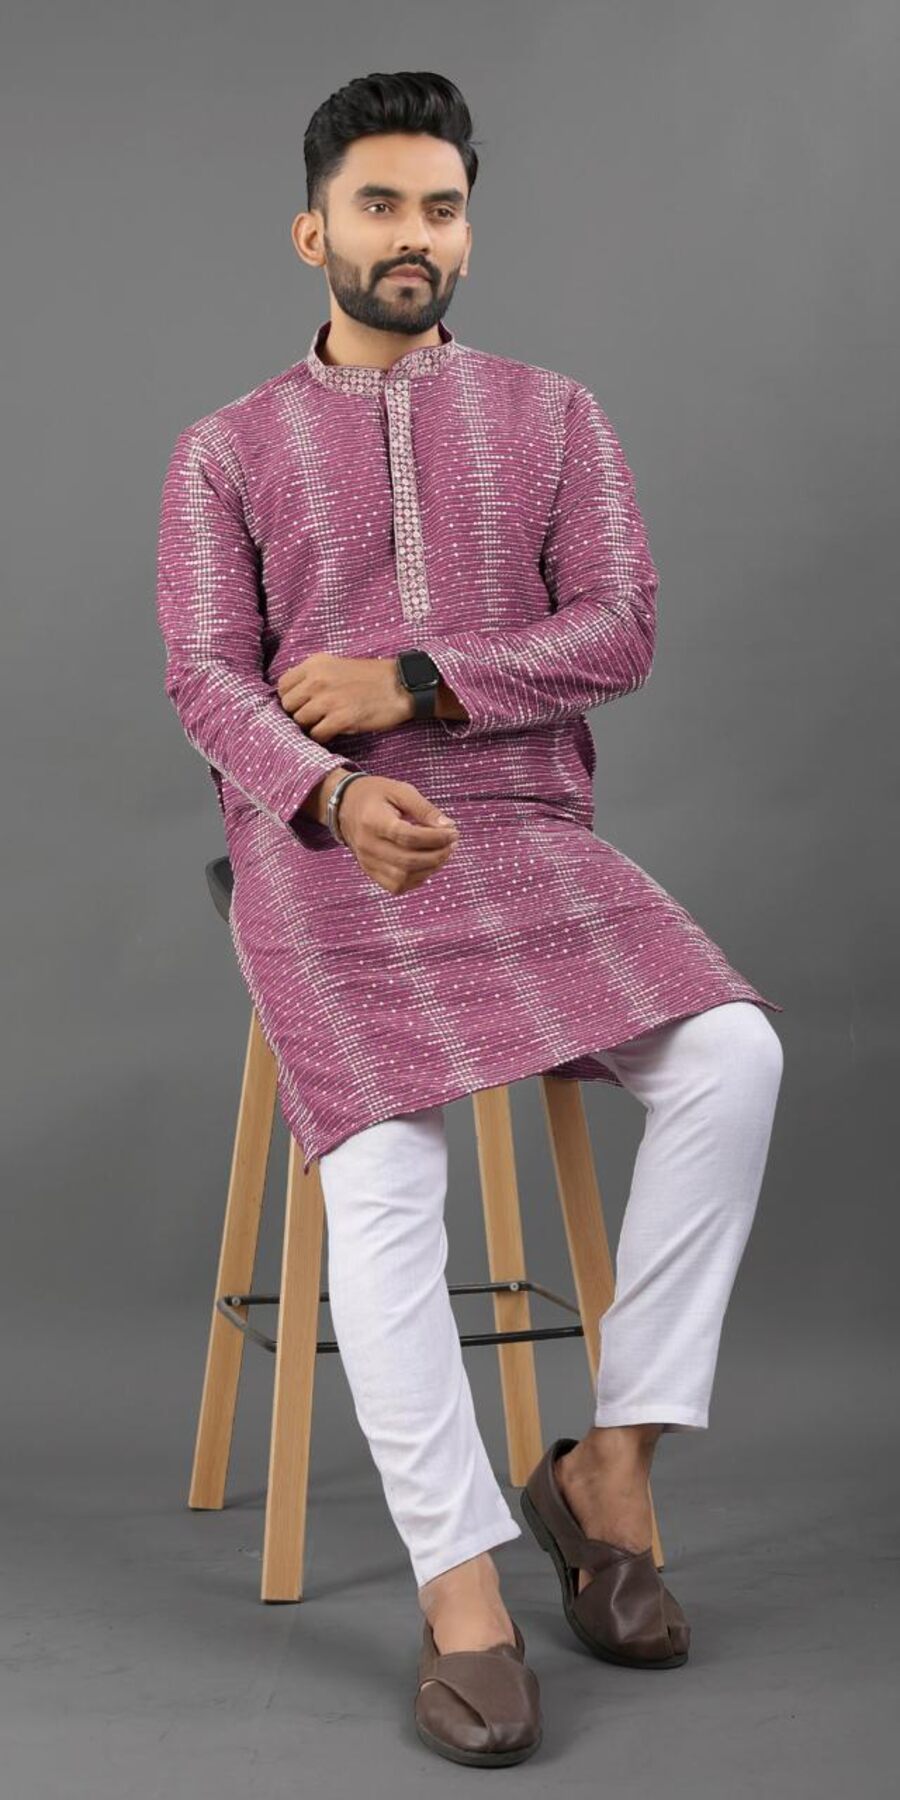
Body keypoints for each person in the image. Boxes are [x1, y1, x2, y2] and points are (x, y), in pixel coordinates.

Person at [156, 70, 784, 1767]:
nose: (414, 235)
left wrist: (419, 679)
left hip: (527, 832)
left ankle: (612, 1469)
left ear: (465, 228)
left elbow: (621, 629)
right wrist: (330, 791)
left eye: (440, 207)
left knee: (736, 1053)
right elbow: (205, 679)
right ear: (313, 232)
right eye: (380, 205)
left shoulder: (556, 416)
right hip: (322, 855)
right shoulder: (226, 450)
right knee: (382, 1174)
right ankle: (460, 1586)